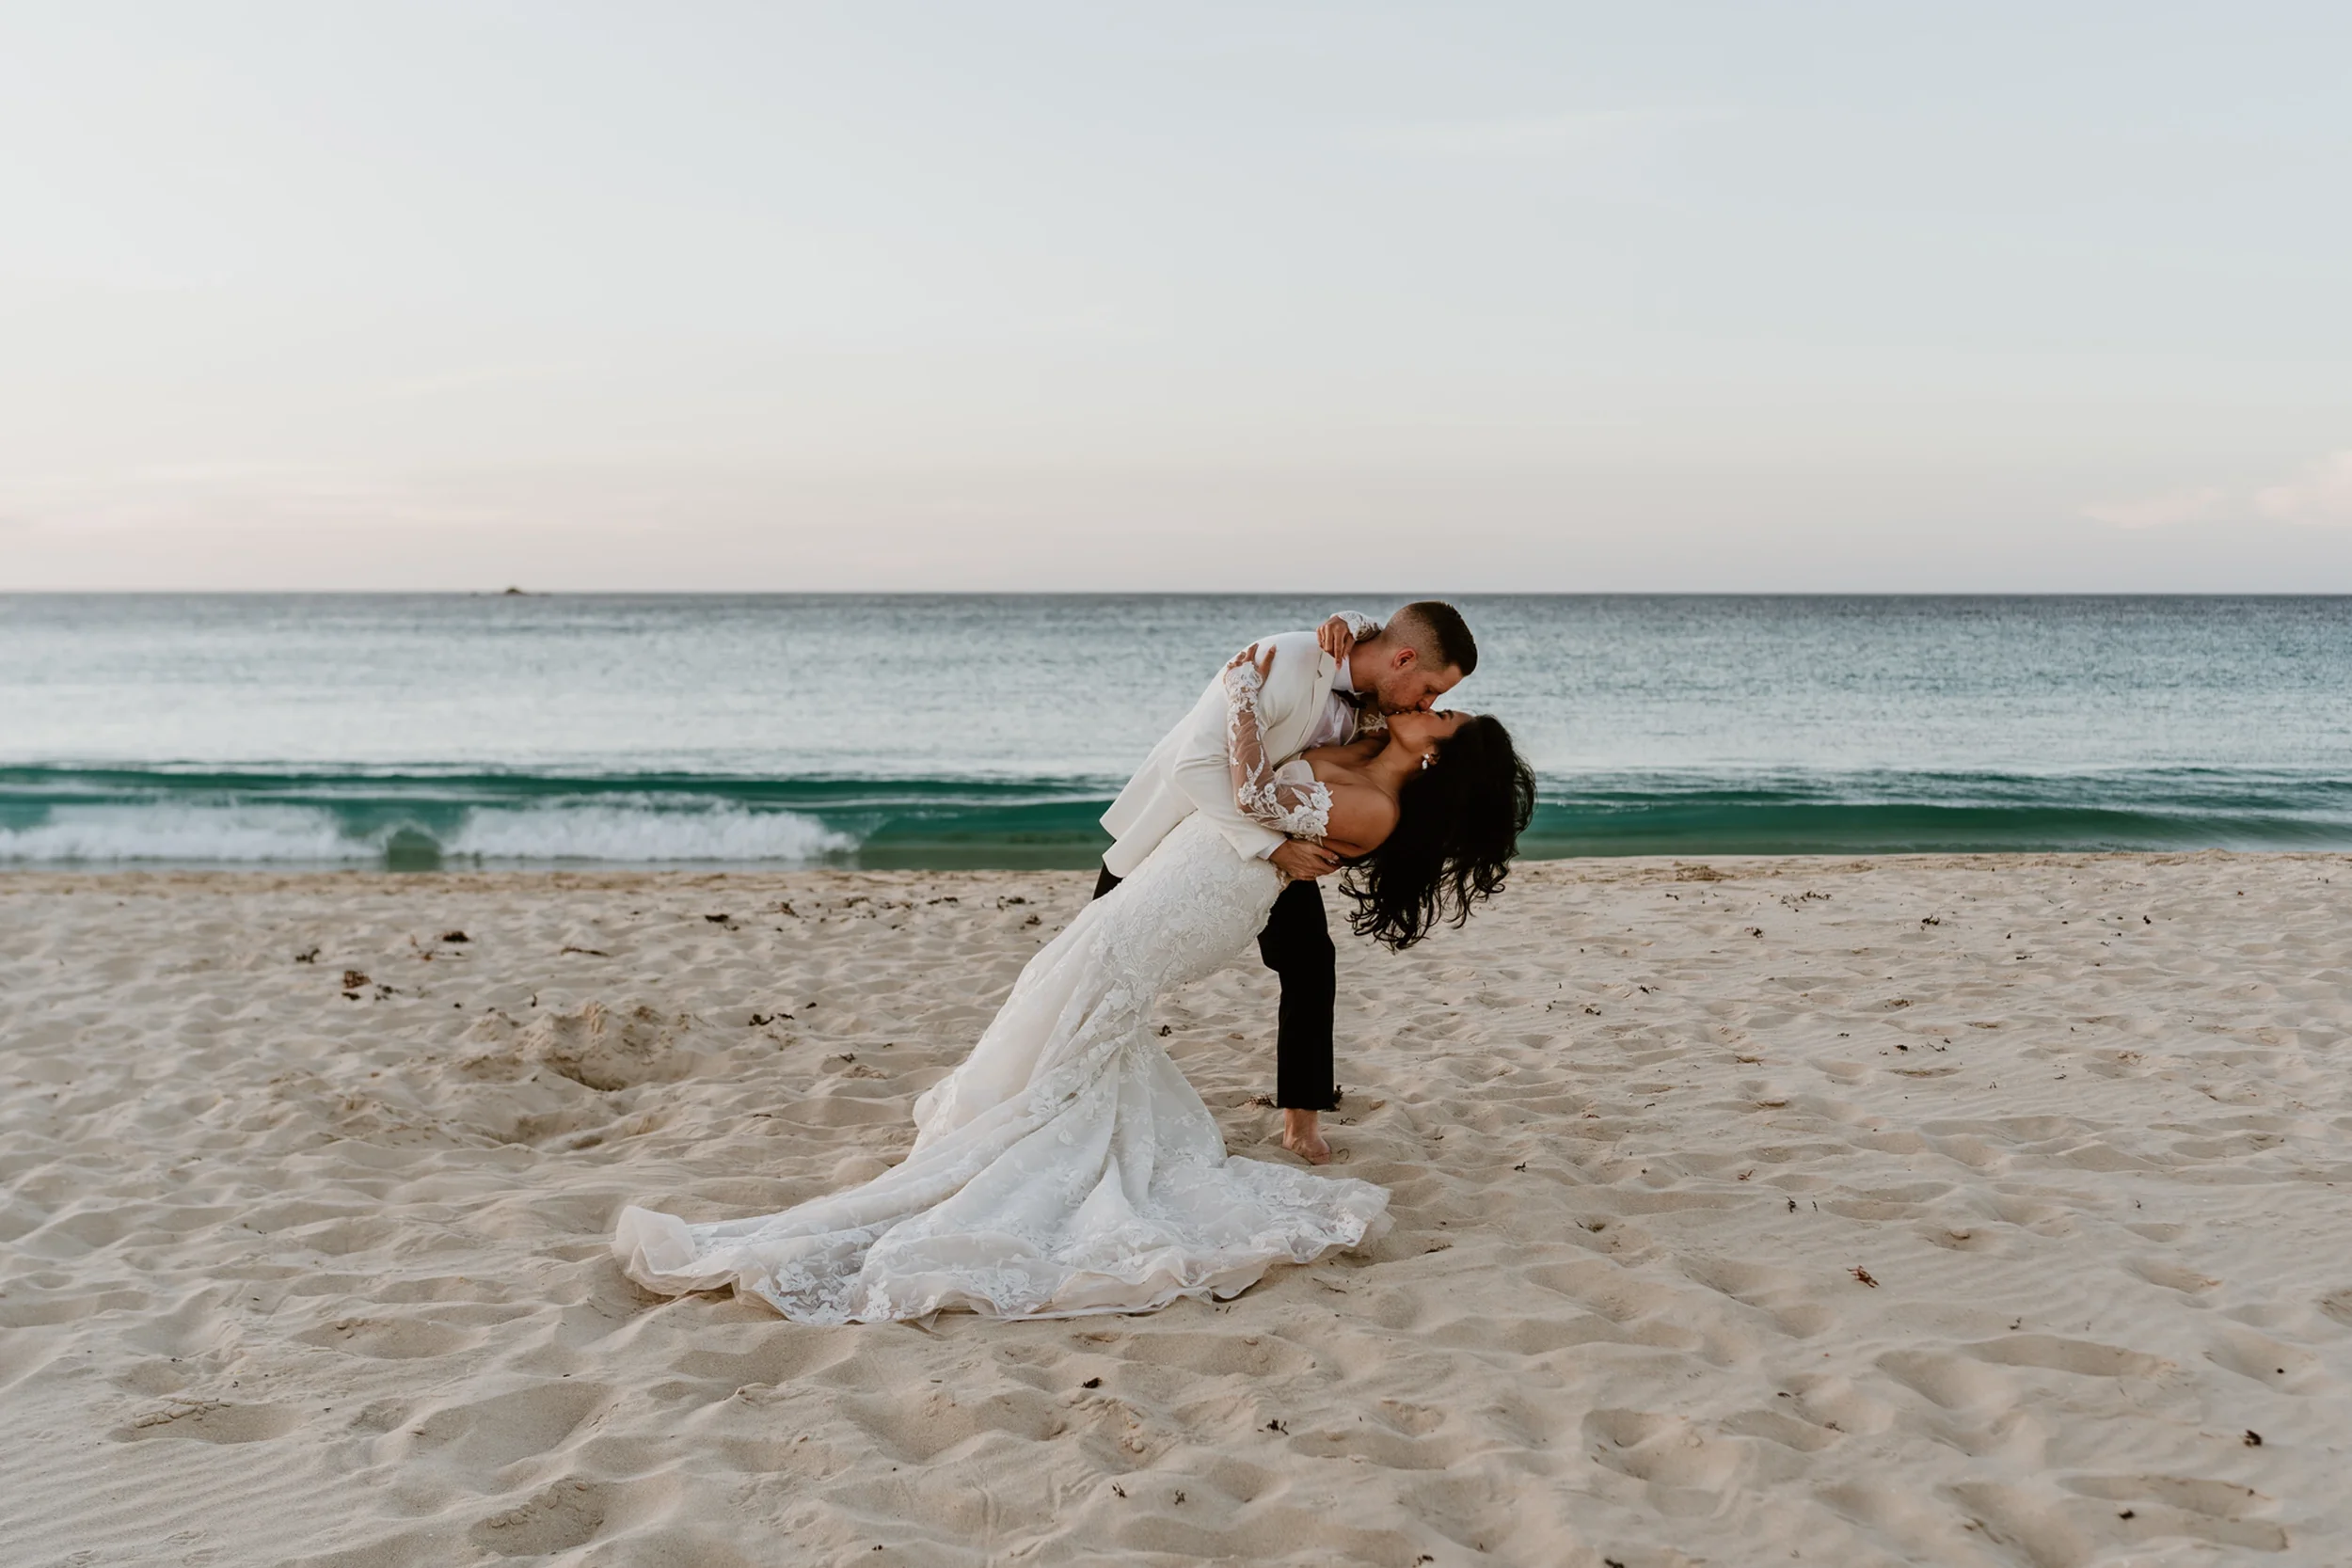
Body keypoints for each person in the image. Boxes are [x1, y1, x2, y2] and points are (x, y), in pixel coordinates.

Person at [612, 618, 1534, 1323]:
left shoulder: (1374, 807)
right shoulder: (1369, 739)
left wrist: (1239, 692)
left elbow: (1254, 788)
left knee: (1088, 986)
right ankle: (1013, 1118)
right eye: (1439, 692)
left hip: (1205, 894)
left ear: (1438, 752)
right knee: (1065, 990)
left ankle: (1013, 1149)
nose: (1429, 705)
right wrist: (1333, 638)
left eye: (1443, 712)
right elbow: (1350, 693)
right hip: (1187, 870)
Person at [1094, 603, 1481, 1163]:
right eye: (1428, 689)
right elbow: (1194, 768)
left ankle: (1302, 1121)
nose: (1428, 704)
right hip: (1181, 830)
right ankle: (1091, 1089)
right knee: (1099, 959)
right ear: (1402, 659)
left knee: (1309, 961)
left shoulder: (1375, 701)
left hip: (1275, 842)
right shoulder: (1288, 659)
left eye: (1437, 702)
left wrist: (1355, 617)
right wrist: (1274, 846)